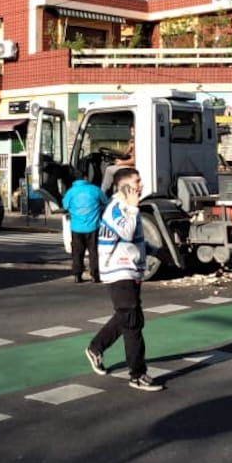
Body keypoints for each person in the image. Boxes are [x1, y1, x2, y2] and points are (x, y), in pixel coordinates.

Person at [84, 168, 163, 391]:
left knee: (128, 317)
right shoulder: (118, 208)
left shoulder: (126, 208)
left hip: (130, 270)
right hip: (119, 271)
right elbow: (126, 233)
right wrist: (133, 207)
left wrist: (154, 250)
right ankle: (137, 374)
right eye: (137, 182)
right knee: (132, 321)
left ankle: (96, 347)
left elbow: (132, 240)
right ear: (125, 186)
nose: (141, 185)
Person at [62, 173, 108, 283]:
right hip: (93, 226)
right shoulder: (95, 190)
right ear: (86, 178)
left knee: (77, 252)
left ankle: (77, 275)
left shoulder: (70, 192)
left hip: (76, 227)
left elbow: (65, 206)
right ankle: (95, 275)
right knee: (94, 251)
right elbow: (105, 201)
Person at [100, 125, 136, 193]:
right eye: (131, 131)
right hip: (128, 164)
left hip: (133, 167)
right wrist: (129, 148)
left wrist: (122, 163)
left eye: (134, 131)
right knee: (110, 165)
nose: (132, 134)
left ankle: (102, 193)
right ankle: (114, 192)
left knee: (109, 169)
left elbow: (136, 160)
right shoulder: (132, 141)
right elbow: (124, 154)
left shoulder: (141, 142)